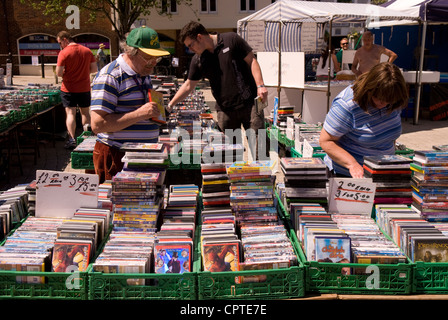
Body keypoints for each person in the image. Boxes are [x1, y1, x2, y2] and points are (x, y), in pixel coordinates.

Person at [167, 21, 268, 159]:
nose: (190, 49)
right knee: (228, 155)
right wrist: (170, 105)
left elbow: (252, 61)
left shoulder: (231, 40)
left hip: (250, 104)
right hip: (225, 110)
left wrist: (260, 85)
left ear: (199, 37)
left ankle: (264, 177)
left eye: (191, 45)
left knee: (259, 150)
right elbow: (188, 85)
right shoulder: (198, 60)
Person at [90, 26, 170, 183]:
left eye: (156, 58)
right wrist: (140, 114)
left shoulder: (142, 73)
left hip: (140, 155)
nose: (154, 63)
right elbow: (98, 124)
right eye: (149, 58)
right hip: (118, 157)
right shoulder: (110, 76)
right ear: (132, 52)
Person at [319, 62, 408, 178]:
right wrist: (352, 164)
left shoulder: (393, 101)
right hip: (350, 176)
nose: (384, 104)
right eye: (379, 99)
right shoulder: (347, 105)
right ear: (370, 89)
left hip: (382, 172)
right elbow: (326, 141)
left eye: (389, 101)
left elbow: (389, 135)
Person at [56, 31, 98, 149]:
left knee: (70, 114)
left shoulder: (64, 53)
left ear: (65, 39)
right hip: (84, 87)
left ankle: (72, 139)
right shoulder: (87, 51)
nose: (60, 46)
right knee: (85, 112)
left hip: (68, 88)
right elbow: (94, 69)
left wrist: (68, 73)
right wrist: (83, 73)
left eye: (60, 43)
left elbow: (59, 73)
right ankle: (87, 138)